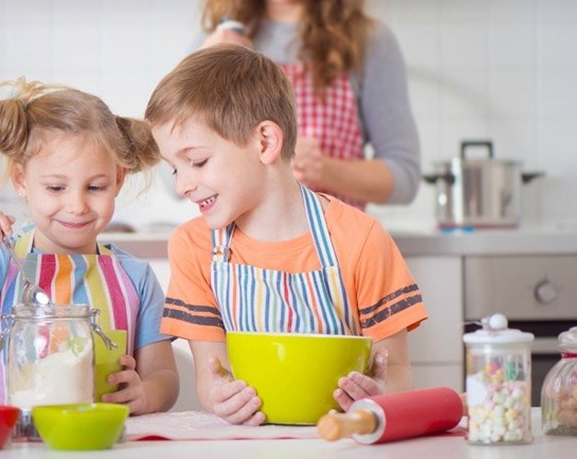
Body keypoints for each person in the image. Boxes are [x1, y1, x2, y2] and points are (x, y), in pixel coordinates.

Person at [145, 45, 427, 425]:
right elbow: (210, 376)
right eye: (174, 168)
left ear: (265, 142)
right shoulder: (193, 247)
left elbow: (395, 375)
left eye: (197, 162)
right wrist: (220, 398)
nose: (183, 185)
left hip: (341, 443)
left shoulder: (361, 239)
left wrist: (380, 396)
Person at [0, 79, 179, 415]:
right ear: (22, 181)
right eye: (55, 187)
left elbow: (164, 375)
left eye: (95, 187)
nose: (77, 205)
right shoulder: (0, 265)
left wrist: (147, 394)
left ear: (118, 180)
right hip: (25, 446)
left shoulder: (135, 277)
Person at [197, 0, 419, 209]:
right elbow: (170, 173)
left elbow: (404, 178)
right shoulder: (217, 41)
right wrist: (206, 68)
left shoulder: (369, 41)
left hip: (335, 252)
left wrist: (325, 169)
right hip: (237, 253)